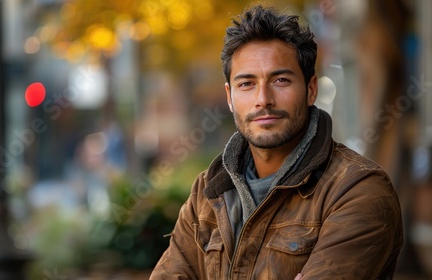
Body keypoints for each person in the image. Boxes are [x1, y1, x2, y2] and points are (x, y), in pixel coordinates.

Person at [150, 4, 403, 280]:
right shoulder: (209, 192)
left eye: (280, 80)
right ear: (229, 97)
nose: (263, 99)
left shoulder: (356, 190)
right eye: (247, 84)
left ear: (311, 89)